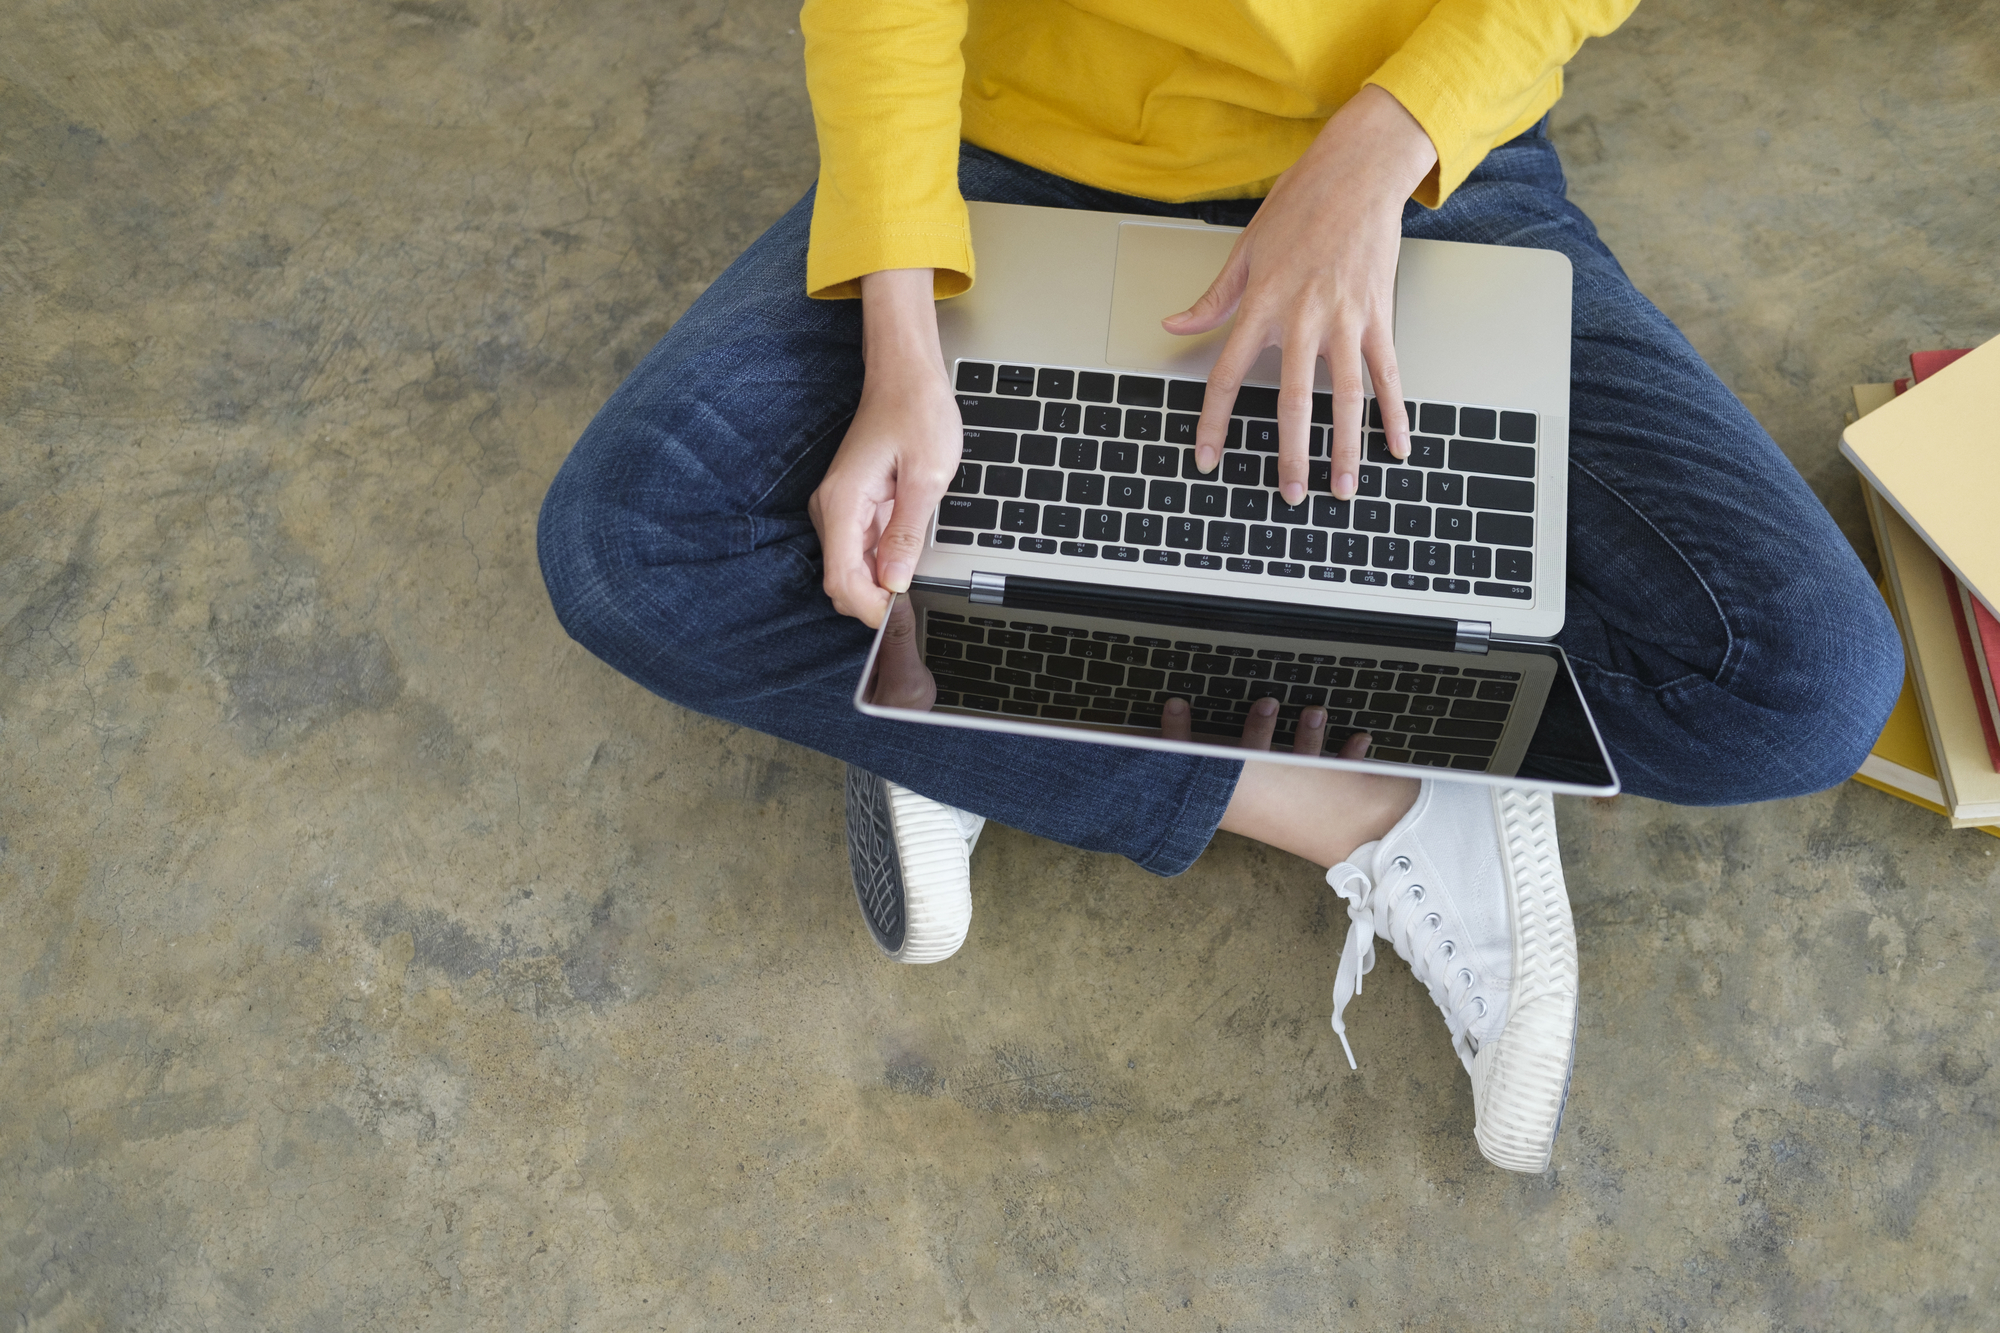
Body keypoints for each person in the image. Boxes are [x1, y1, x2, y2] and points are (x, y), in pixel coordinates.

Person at [536, 0, 1904, 1172]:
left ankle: (965, 681)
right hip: (1014, 156)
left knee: (1801, 681)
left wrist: (1380, 152)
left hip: (1414, 164)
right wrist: (904, 338)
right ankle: (1376, 798)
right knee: (629, 542)